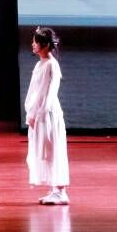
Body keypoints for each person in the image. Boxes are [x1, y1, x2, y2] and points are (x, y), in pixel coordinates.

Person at [26, 26, 70, 205]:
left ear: (44, 45)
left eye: (35, 42)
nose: (33, 44)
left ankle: (60, 191)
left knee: (53, 149)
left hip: (48, 113)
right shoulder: (40, 64)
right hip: (39, 113)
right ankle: (55, 189)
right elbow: (34, 91)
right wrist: (30, 112)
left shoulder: (52, 65)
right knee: (46, 150)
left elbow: (50, 94)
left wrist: (39, 113)